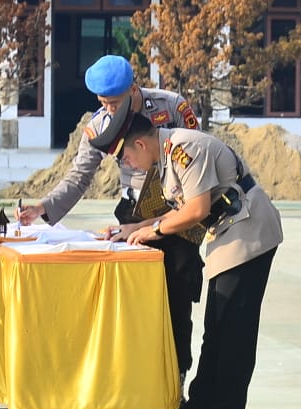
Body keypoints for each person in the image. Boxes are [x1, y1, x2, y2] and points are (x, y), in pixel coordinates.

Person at [92, 97, 282, 409]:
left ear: (138, 143)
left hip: (248, 229)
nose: (128, 164)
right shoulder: (166, 157)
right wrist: (134, 228)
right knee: (216, 328)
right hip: (228, 231)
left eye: (126, 156)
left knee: (232, 330)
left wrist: (152, 230)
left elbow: (194, 211)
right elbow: (178, 212)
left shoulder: (184, 148)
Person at [16, 55, 204, 378]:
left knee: (176, 297)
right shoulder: (99, 126)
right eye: (103, 103)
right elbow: (78, 177)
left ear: (134, 88)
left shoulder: (170, 107)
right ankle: (137, 385)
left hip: (174, 209)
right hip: (132, 213)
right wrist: (42, 207)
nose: (110, 110)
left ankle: (175, 380)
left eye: (115, 102)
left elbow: (198, 152)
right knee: (134, 302)